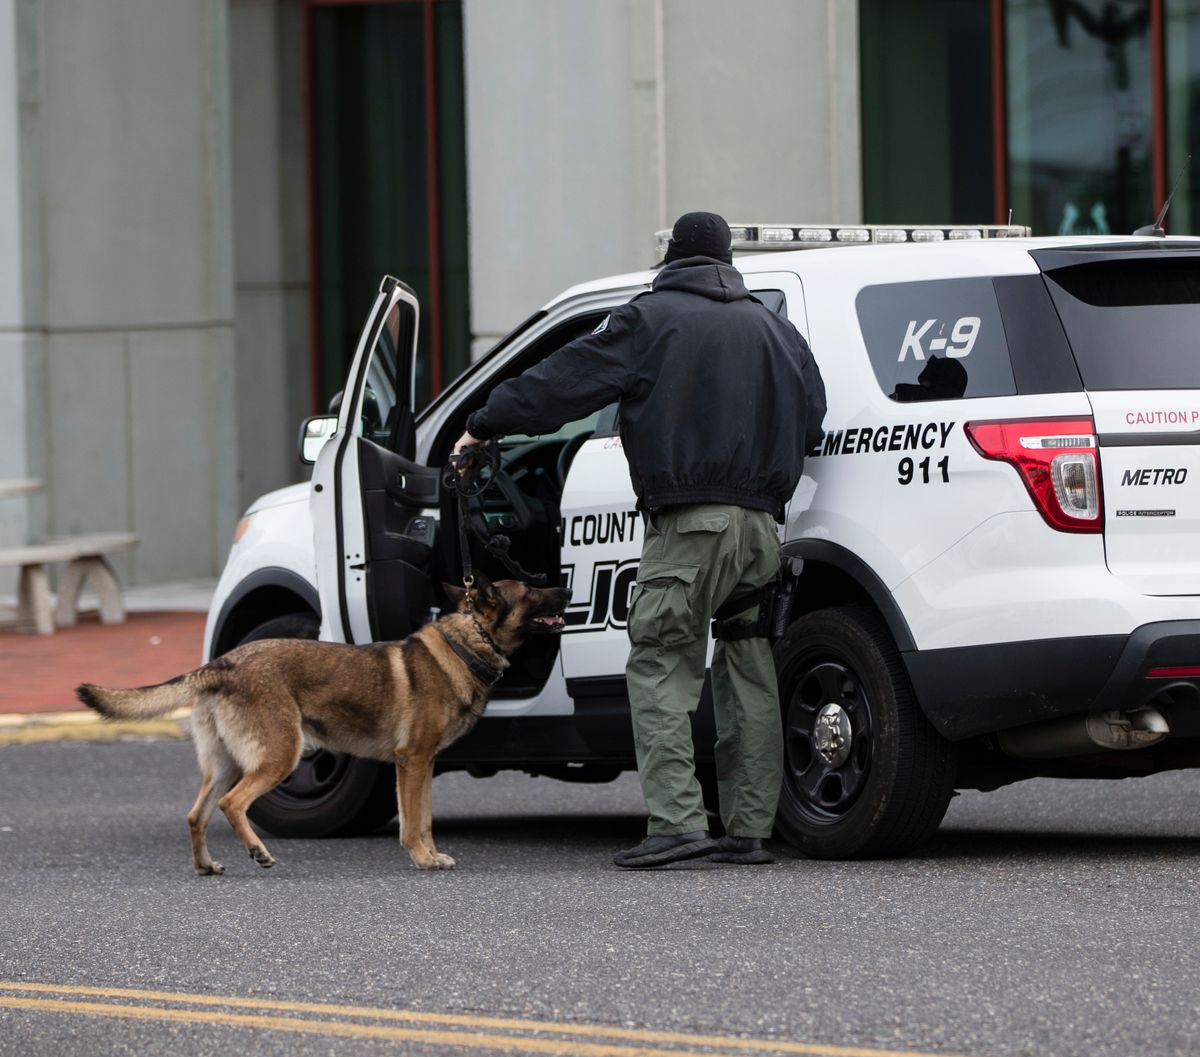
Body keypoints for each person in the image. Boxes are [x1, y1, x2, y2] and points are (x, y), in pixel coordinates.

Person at [454, 211, 826, 868]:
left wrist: (484, 422)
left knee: (659, 660)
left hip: (691, 523)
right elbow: (813, 415)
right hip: (763, 529)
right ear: (726, 260)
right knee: (749, 668)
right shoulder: (776, 329)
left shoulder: (650, 319)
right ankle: (748, 828)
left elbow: (558, 385)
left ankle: (678, 821)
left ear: (673, 259)